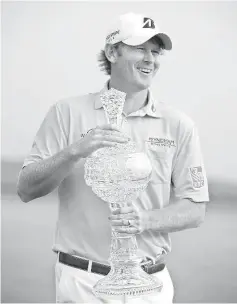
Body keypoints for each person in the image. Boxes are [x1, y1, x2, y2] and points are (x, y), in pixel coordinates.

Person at [17, 12, 209, 304]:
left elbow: (195, 209)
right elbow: (26, 188)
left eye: (155, 53)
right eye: (140, 48)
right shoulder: (66, 112)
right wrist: (74, 151)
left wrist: (144, 221)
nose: (150, 59)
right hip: (82, 282)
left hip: (150, 284)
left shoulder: (179, 124)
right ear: (111, 51)